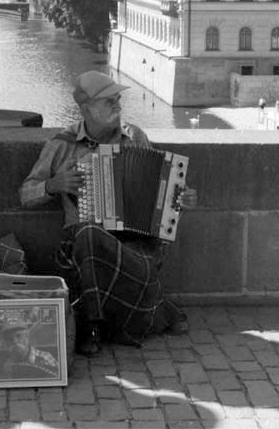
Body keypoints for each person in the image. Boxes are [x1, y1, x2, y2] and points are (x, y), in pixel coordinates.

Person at [20, 71, 197, 356]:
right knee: (89, 233)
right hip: (83, 243)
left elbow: (159, 190)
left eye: (118, 99)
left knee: (136, 251)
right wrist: (53, 185)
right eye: (108, 101)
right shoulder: (61, 145)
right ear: (85, 109)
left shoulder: (135, 137)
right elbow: (25, 195)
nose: (118, 105)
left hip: (134, 242)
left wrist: (180, 197)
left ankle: (96, 322)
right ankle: (128, 313)